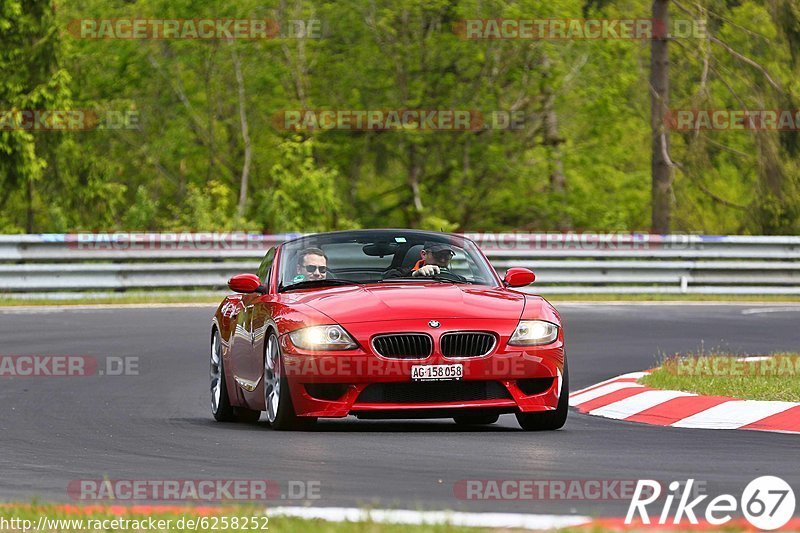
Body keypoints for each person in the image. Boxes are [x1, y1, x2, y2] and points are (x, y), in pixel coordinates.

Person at [383, 242, 457, 279]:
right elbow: (386, 278)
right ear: (424, 254)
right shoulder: (404, 272)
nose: (442, 260)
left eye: (447, 256)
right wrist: (414, 274)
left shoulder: (457, 279)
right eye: (438, 255)